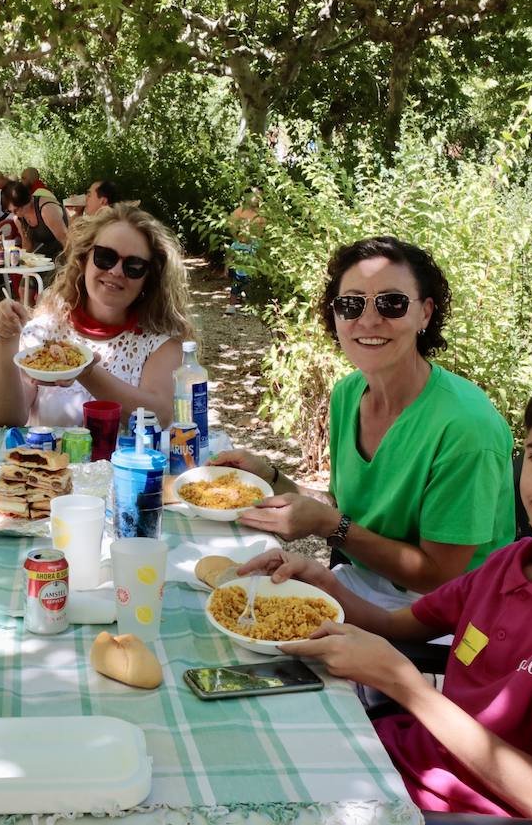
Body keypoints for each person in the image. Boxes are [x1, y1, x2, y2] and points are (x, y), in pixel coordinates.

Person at [108, 370, 532, 825]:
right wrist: (321, 580)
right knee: (193, 777)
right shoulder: (517, 560)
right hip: (395, 766)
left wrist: (405, 687)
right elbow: (396, 627)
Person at [213, 236, 514, 609]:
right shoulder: (348, 394)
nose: (369, 320)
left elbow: (440, 576)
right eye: (351, 304)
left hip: (446, 616)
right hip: (364, 581)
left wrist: (328, 526)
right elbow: (344, 507)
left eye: (392, 303)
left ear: (425, 313)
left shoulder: (466, 427)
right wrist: (270, 478)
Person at [0, 202, 193, 428]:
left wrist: (85, 370)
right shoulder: (45, 333)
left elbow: (159, 417)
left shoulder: (160, 344)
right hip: (48, 463)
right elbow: (5, 418)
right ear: (83, 260)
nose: (115, 271)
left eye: (133, 265)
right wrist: (6, 337)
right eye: (105, 257)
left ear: (148, 278)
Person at [1, 180, 68, 260]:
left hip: (64, 252)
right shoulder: (18, 219)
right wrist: (23, 263)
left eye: (16, 210)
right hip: (46, 256)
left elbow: (66, 241)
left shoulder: (46, 210)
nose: (15, 214)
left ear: (26, 201)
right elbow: (27, 245)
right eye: (10, 211)